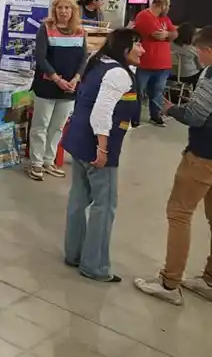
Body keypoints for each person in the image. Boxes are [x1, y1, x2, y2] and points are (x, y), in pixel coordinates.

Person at [135, 25, 212, 305]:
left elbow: (196, 116)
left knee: (179, 215)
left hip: (203, 156)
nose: (197, 56)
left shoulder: (211, 74)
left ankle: (169, 283)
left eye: (199, 51)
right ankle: (209, 280)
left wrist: (171, 110)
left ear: (208, 50)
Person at [62, 29, 143, 284]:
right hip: (96, 145)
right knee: (104, 205)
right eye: (138, 44)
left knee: (78, 197)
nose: (143, 50)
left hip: (77, 139)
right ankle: (94, 265)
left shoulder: (98, 62)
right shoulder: (118, 73)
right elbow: (102, 113)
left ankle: (73, 254)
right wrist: (103, 149)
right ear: (124, 48)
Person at [29, 0, 88, 181]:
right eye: (60, 7)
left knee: (58, 126)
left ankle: (49, 160)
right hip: (47, 86)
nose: (63, 11)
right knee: (41, 125)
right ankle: (36, 163)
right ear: (54, 9)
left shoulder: (80, 30)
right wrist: (57, 79)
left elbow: (83, 59)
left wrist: (76, 78)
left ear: (73, 10)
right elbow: (41, 57)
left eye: (67, 8)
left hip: (69, 88)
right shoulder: (45, 29)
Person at [133, 0, 177, 126]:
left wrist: (168, 34)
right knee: (138, 92)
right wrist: (167, 35)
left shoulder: (165, 18)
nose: (168, 9)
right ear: (162, 5)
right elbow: (156, 35)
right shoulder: (144, 16)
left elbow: (175, 34)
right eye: (167, 6)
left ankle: (155, 115)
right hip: (146, 63)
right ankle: (134, 117)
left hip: (163, 64)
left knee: (157, 92)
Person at [171, 23, 202, 89]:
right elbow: (199, 67)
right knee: (203, 72)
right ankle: (197, 94)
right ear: (191, 36)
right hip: (187, 76)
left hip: (171, 74)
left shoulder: (169, 45)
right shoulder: (192, 49)